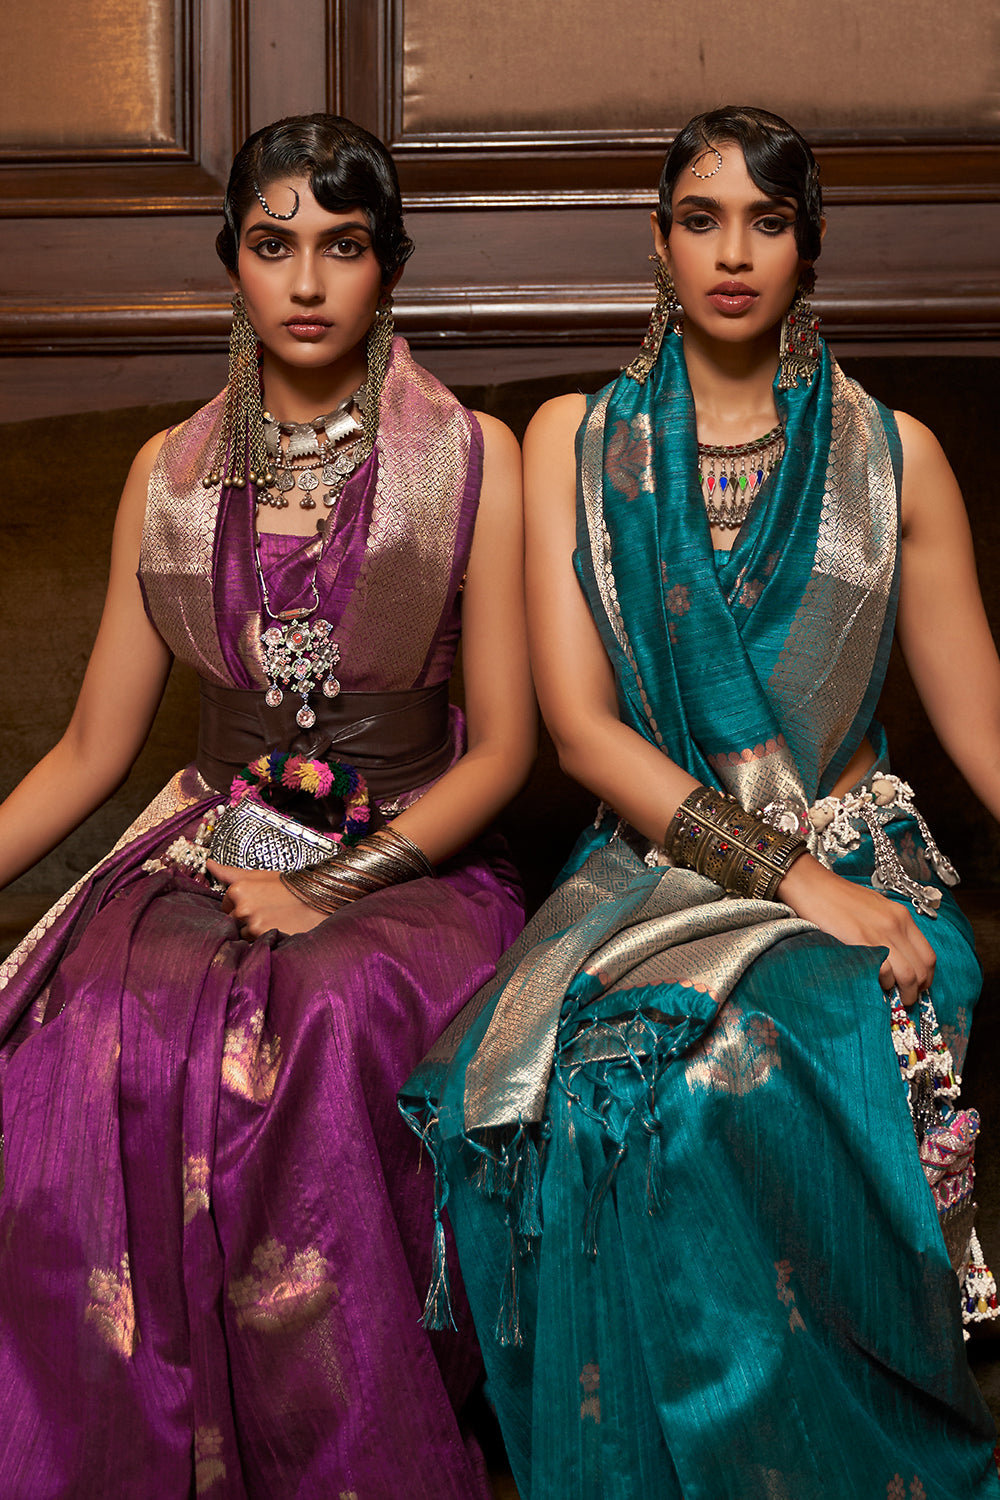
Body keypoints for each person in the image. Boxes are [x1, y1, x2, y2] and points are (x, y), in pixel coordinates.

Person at [402, 106, 1000, 1498]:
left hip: (866, 863)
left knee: (751, 1063)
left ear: (810, 247)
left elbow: (982, 727)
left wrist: (840, 887)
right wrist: (794, 883)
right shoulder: (577, 441)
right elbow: (581, 733)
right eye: (701, 219)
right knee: (591, 1092)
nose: (733, 254)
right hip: (656, 873)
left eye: (767, 223)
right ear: (658, 242)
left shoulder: (893, 457)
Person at [0, 114, 534, 1497]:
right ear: (230, 261)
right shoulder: (166, 478)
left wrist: (327, 889)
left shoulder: (475, 458)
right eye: (272, 244)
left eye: (342, 247)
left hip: (413, 860)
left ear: (390, 266)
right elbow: (91, 750)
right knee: (100, 1020)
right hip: (210, 839)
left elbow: (505, 753)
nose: (305, 282)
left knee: (323, 1016)